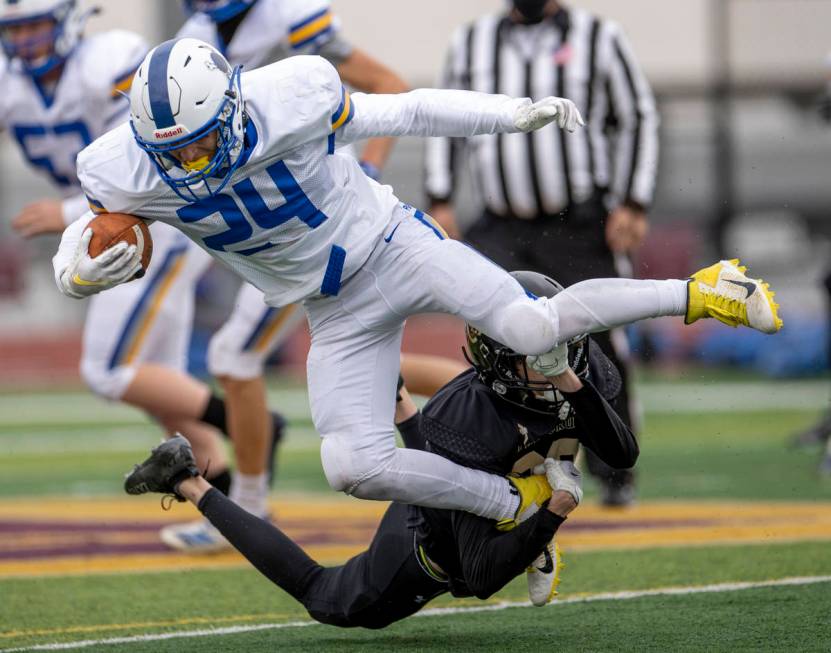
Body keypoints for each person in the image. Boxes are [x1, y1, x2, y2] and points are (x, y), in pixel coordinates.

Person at [54, 37, 781, 528]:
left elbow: (405, 109)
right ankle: (513, 502)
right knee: (351, 464)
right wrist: (78, 272)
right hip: (332, 307)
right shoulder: (120, 165)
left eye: (201, 140)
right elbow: (81, 245)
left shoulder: (295, 96)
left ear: (235, 105)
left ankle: (704, 289)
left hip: (394, 243)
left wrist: (509, 116)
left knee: (529, 327)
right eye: (171, 150)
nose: (189, 162)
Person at [124, 271, 638, 619]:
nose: (558, 357)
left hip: (482, 478)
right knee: (324, 597)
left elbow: (620, 455)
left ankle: (424, 425)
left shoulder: (576, 368)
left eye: (563, 341)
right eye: (539, 350)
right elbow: (478, 576)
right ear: (501, 359)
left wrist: (572, 384)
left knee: (505, 484)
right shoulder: (468, 420)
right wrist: (550, 515)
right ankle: (186, 479)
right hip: (429, 541)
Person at [156, 0, 421, 552]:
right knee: (366, 350)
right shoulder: (197, 34)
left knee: (236, 355)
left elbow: (389, 84)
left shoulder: (288, 19)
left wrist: (365, 167)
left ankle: (249, 511)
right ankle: (505, 394)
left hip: (317, 223)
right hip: (272, 225)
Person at [0, 0, 259, 497]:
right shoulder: (12, 86)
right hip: (117, 222)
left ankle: (247, 420)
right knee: (159, 384)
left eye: (36, 25)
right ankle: (223, 495)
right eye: (17, 30)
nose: (27, 40)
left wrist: (71, 211)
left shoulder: (110, 61)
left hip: (153, 220)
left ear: (68, 20)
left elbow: (148, 157)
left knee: (108, 370)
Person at [424, 0, 658, 505]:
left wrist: (634, 201)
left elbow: (637, 116)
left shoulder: (601, 36)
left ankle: (614, 471)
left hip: (578, 223)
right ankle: (505, 464)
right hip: (501, 223)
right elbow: (448, 118)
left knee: (600, 340)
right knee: (492, 343)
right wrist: (441, 196)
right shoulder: (472, 40)